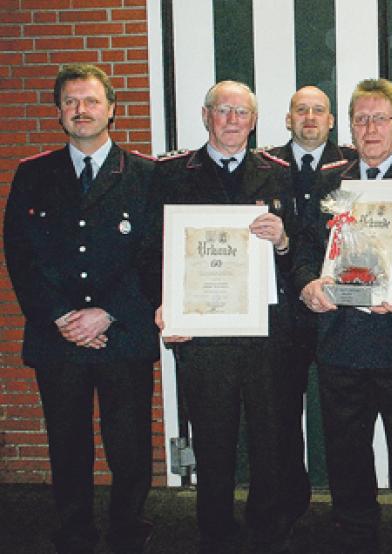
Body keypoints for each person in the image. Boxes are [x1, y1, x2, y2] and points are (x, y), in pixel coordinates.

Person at [4, 63, 159, 554]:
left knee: (129, 445)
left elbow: (154, 256)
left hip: (123, 331)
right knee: (67, 443)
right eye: (70, 102)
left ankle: (127, 529)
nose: (81, 110)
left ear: (112, 109)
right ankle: (73, 532)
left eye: (91, 100)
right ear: (58, 112)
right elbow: (20, 254)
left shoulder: (144, 175)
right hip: (59, 335)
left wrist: (108, 312)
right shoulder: (34, 174)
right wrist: (60, 317)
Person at [292, 78, 392, 553]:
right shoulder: (329, 181)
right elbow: (305, 247)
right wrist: (308, 284)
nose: (371, 128)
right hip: (342, 339)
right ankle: (354, 524)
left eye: (380, 119)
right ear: (350, 127)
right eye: (361, 119)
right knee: (345, 446)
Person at [144, 80, 296, 553]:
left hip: (264, 331)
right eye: (223, 110)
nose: (232, 120)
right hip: (202, 333)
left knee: (270, 436)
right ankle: (215, 529)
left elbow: (305, 251)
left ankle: (266, 526)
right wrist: (164, 304)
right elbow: (150, 251)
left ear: (254, 121)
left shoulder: (280, 174)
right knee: (212, 439)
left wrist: (284, 241)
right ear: (206, 116)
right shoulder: (170, 174)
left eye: (242, 112)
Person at [263, 85, 352, 526]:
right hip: (282, 309)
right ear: (288, 119)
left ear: (332, 121)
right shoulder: (265, 167)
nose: (310, 118)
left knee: (344, 415)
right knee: (281, 413)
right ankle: (289, 501)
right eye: (302, 110)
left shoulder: (352, 165)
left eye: (319, 111)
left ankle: (348, 505)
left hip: (338, 309)